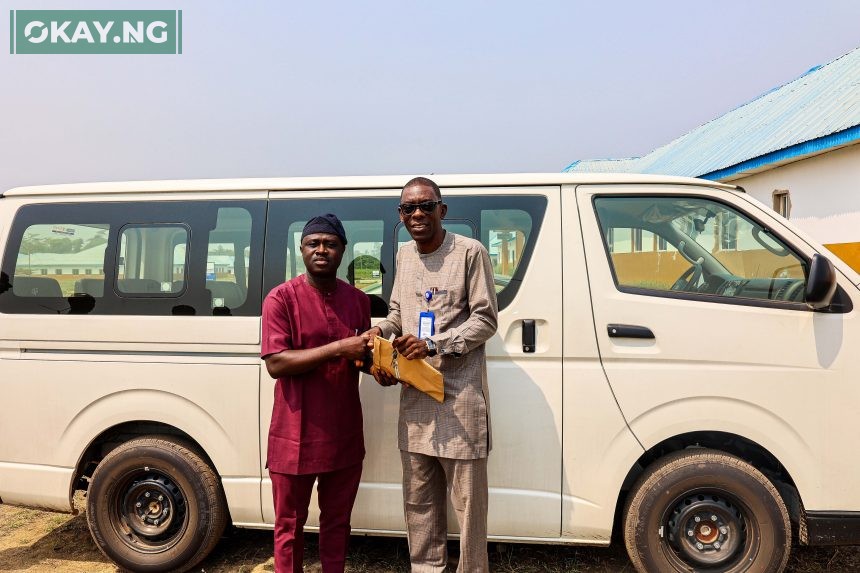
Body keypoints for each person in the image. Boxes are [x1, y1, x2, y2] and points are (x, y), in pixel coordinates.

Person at [366, 177, 499, 572]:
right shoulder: (405, 255)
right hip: (416, 400)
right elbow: (396, 312)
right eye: (410, 208)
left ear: (442, 209)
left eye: (427, 206)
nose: (418, 214)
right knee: (419, 504)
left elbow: (486, 320)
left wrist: (434, 344)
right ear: (401, 215)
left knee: (470, 509)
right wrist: (381, 332)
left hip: (460, 400)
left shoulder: (469, 252)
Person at [261, 213, 371, 573]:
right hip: (295, 436)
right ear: (302, 249)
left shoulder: (358, 301)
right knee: (289, 526)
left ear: (343, 251)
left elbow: (360, 358)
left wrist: (383, 368)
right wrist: (340, 347)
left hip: (343, 435)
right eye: (314, 243)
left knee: (337, 524)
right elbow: (276, 363)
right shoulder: (280, 299)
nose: (322, 250)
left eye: (331, 244)